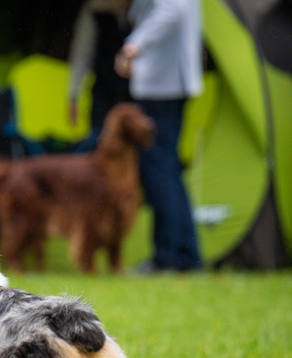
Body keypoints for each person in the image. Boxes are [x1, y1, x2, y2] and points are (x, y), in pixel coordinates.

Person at [115, 0, 203, 273]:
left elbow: (170, 10)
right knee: (169, 170)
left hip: (162, 87)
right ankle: (186, 255)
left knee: (159, 172)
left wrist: (133, 46)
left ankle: (166, 257)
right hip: (169, 84)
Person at [67, 0, 133, 152]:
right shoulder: (94, 9)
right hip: (104, 90)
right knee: (98, 144)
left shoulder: (145, 7)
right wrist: (73, 95)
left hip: (137, 93)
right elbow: (81, 54)